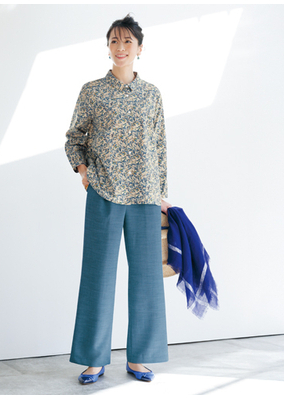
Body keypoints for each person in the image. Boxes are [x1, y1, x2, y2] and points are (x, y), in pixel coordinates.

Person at [65, 13, 172, 384]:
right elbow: (74, 138)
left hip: (145, 196)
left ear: (140, 48)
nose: (120, 47)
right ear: (107, 47)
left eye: (128, 41)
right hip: (104, 192)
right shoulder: (92, 91)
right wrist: (84, 172)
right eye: (114, 41)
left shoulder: (152, 94)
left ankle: (140, 358)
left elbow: (159, 146)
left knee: (147, 280)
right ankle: (94, 359)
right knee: (97, 278)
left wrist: (162, 195)